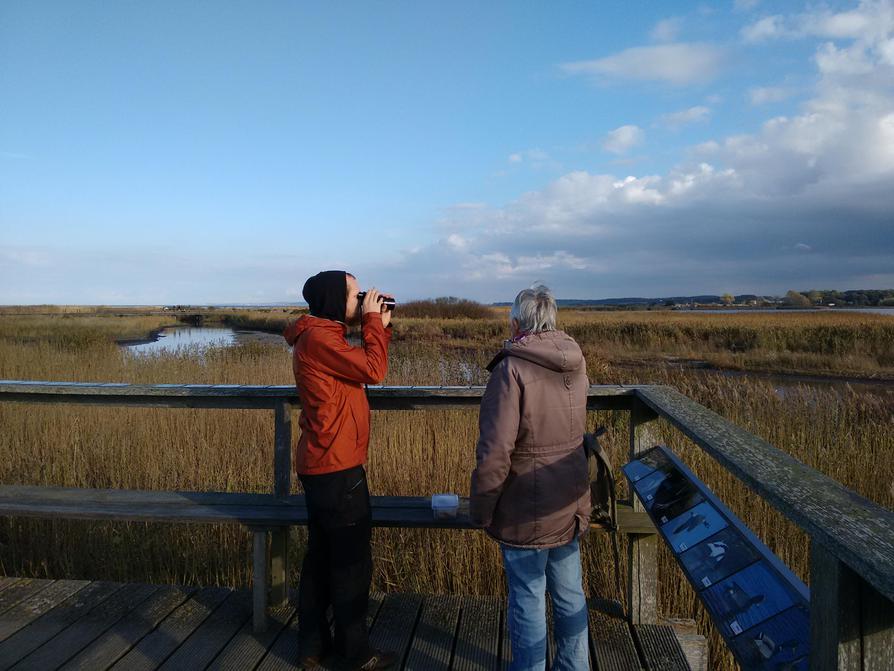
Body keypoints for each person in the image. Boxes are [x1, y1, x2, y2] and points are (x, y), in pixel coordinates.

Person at [470, 284, 591, 671]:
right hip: (569, 500)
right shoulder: (575, 359)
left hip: (525, 508)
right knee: (570, 592)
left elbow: (494, 453)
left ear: (516, 323)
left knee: (527, 596)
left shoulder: (511, 369)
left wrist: (483, 508)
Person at [283, 270, 396, 671]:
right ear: (334, 299)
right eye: (353, 293)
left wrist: (374, 325)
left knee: (321, 557)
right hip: (337, 464)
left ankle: (312, 648)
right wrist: (371, 324)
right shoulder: (320, 338)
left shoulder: (320, 336)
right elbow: (373, 371)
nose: (359, 298)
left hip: (324, 462)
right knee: (351, 563)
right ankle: (355, 651)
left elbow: (359, 365)